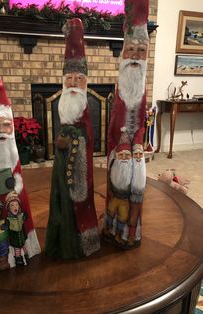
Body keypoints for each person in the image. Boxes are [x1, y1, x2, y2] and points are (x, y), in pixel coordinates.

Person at [45, 18, 100, 259]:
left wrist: (74, 140)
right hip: (61, 162)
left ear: (86, 81)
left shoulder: (85, 104)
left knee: (81, 201)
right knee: (61, 200)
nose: (74, 82)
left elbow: (87, 134)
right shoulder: (64, 103)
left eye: (79, 78)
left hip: (80, 166)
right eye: (69, 78)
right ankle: (60, 240)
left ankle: (80, 243)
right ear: (63, 81)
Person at [0, 74, 41, 270]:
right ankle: (2, 257)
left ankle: (21, 252)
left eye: (6, 125)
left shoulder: (13, 156)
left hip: (15, 205)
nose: (2, 131)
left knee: (18, 226)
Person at [102, 0, 149, 249]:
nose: (135, 56)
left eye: (141, 51)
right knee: (117, 187)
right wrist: (121, 142)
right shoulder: (121, 88)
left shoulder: (142, 88)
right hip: (118, 148)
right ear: (123, 53)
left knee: (137, 186)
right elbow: (114, 123)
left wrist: (138, 141)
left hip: (136, 147)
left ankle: (131, 232)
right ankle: (111, 229)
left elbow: (142, 121)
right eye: (130, 49)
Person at [5, 191, 29, 267]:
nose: (15, 207)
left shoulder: (21, 215)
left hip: (22, 236)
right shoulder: (9, 219)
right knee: (17, 249)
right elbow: (6, 227)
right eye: (12, 205)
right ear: (9, 208)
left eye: (16, 205)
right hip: (15, 238)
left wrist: (25, 215)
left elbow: (25, 218)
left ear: (19, 207)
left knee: (24, 246)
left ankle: (26, 255)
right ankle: (18, 259)